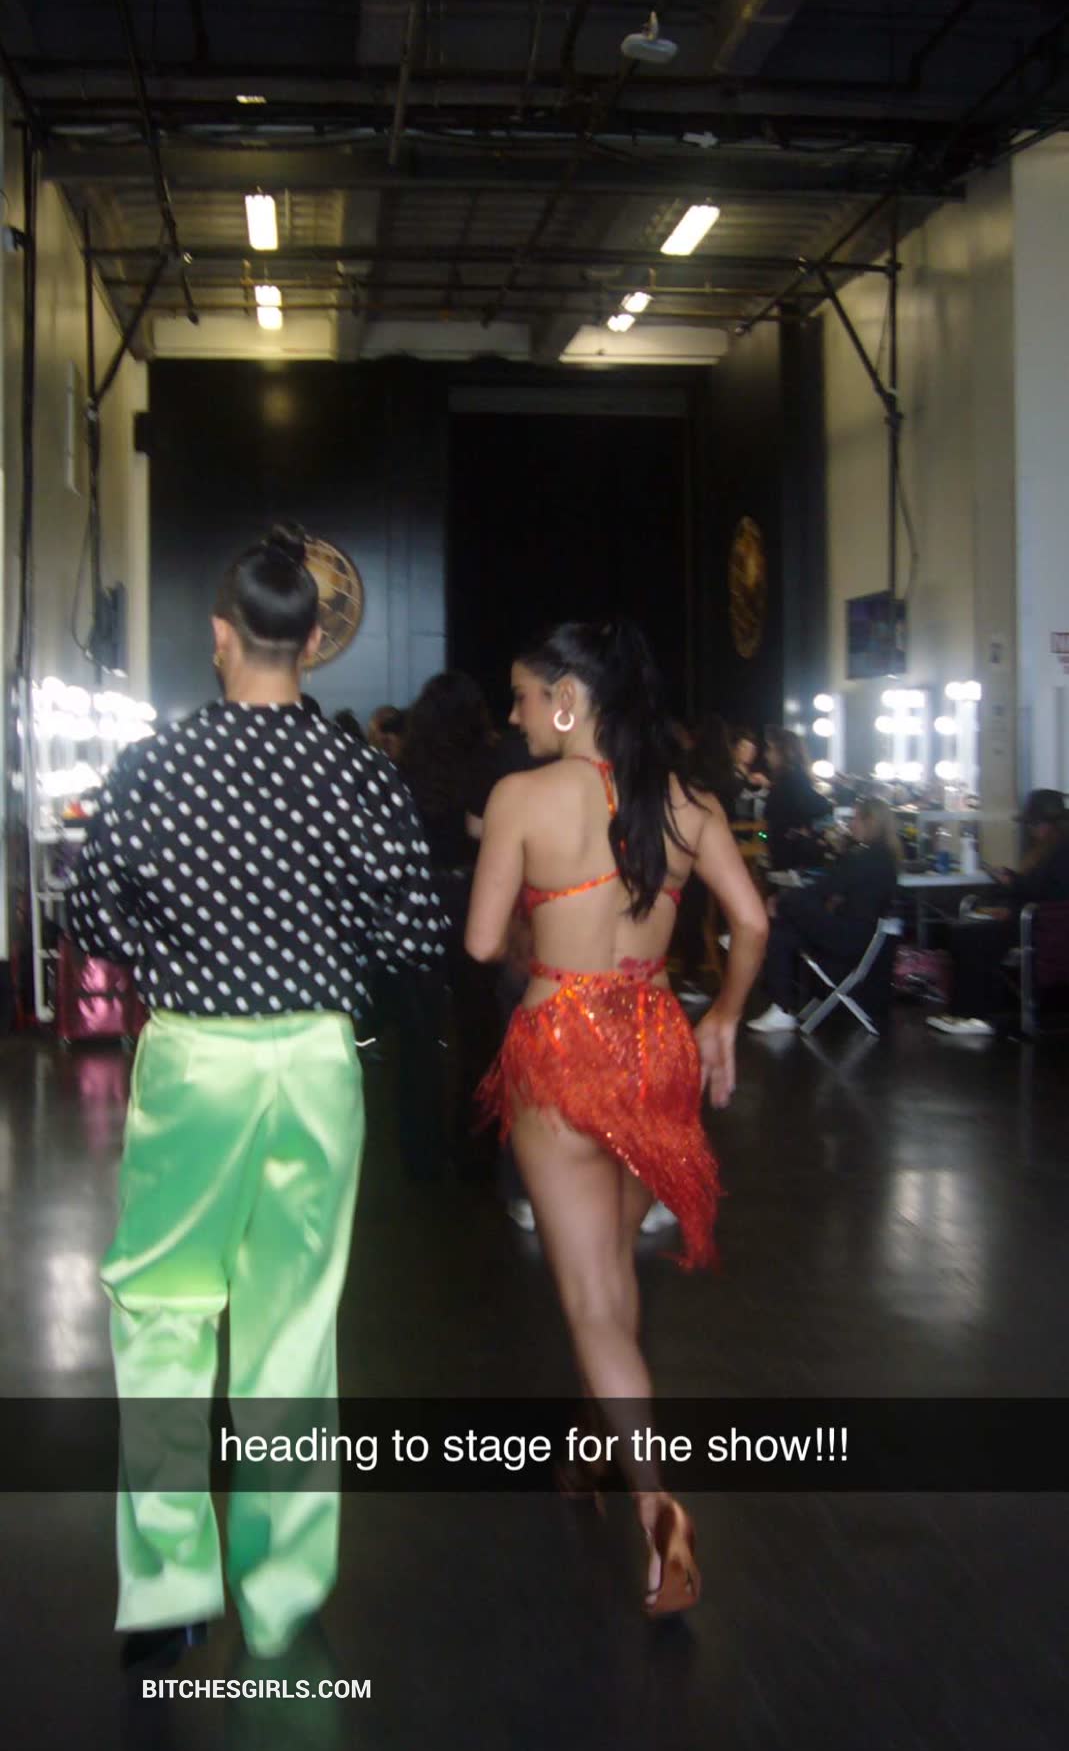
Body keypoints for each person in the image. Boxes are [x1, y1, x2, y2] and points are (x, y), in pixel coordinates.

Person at [67, 527, 444, 1671]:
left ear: (220, 636)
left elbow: (92, 915)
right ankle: (281, 1597)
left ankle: (170, 1588)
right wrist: (328, 964)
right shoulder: (359, 773)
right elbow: (416, 933)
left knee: (163, 1314)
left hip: (196, 1059)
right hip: (318, 1065)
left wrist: (178, 951)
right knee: (294, 1330)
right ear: (314, 642)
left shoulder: (157, 766)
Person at [465, 619, 767, 1616]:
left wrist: (532, 915)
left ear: (567, 699)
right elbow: (751, 920)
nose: (515, 714)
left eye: (524, 695)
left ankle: (657, 1509)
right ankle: (590, 1450)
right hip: (654, 1047)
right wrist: (723, 1015)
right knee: (613, 1276)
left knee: (593, 1299)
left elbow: (480, 944)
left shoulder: (521, 797)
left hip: (560, 1046)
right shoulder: (687, 802)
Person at [388, 671, 500, 1180]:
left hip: (415, 901)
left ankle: (421, 1153)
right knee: (480, 1029)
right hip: (474, 896)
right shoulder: (488, 767)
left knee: (418, 1033)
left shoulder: (404, 770)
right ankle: (477, 1148)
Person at [747, 797, 901, 1032]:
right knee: (783, 932)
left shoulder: (863, 859)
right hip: (864, 937)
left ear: (869, 822)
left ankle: (780, 1002)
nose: (851, 824)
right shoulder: (886, 858)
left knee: (792, 903)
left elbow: (825, 888)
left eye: (856, 819)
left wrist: (782, 900)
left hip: (849, 938)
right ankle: (780, 1007)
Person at [927, 789, 1069, 1037]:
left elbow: (1044, 893)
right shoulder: (1053, 850)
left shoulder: (1058, 854)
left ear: (1047, 825)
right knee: (967, 933)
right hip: (1037, 921)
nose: (1031, 831)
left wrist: (1011, 884)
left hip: (1039, 925)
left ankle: (971, 1012)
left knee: (968, 936)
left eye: (1034, 825)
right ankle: (971, 1011)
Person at [762, 724, 832, 869]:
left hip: (791, 858)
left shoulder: (789, 783)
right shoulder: (795, 780)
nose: (766, 755)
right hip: (792, 853)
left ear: (783, 753)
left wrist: (799, 832)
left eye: (771, 749)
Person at [730, 724, 769, 811]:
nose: (749, 752)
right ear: (735, 748)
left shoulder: (757, 774)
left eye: (752, 749)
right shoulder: (730, 774)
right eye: (744, 747)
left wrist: (766, 784)